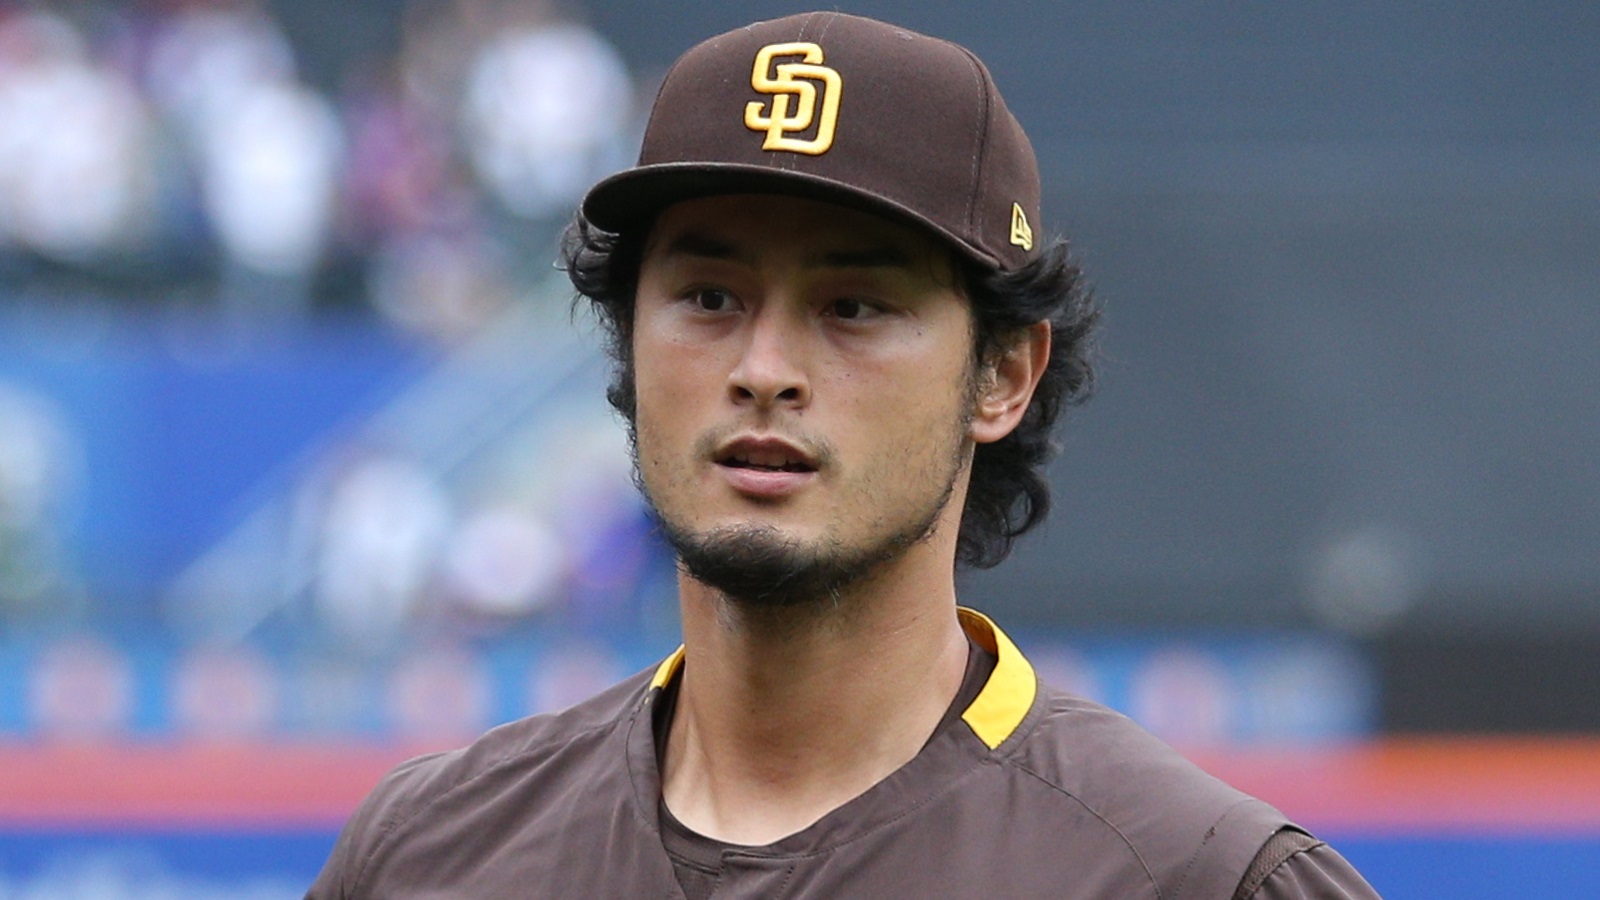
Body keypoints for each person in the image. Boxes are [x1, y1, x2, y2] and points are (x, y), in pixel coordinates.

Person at [307, 12, 1379, 898]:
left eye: (853, 305)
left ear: (1003, 375)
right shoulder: (427, 854)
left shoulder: (1192, 879)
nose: (764, 368)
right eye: (709, 297)